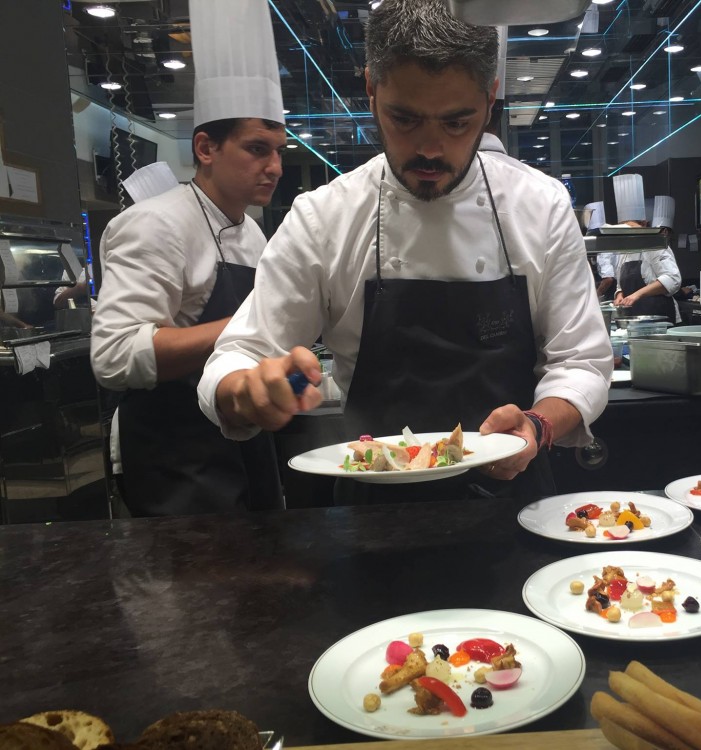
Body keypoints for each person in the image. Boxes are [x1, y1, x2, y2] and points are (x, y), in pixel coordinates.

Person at [198, 0, 612, 503]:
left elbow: (582, 361)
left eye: (458, 123)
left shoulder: (540, 205)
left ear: (491, 97)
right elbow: (237, 354)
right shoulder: (324, 216)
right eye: (405, 119)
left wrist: (538, 424)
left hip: (517, 503)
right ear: (372, 89)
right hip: (371, 514)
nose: (431, 149)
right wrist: (245, 389)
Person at [90, 0, 288, 516]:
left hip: (244, 439)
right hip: (175, 454)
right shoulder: (155, 223)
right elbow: (113, 355)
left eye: (279, 152)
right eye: (257, 149)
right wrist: (247, 327)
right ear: (205, 147)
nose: (274, 166)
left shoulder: (254, 236)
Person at [609, 178, 681, 321]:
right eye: (622, 228)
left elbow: (673, 279)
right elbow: (619, 284)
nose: (626, 232)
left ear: (643, 224)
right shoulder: (624, 250)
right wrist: (619, 295)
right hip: (635, 318)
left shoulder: (655, 244)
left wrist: (637, 294)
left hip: (660, 318)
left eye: (629, 227)